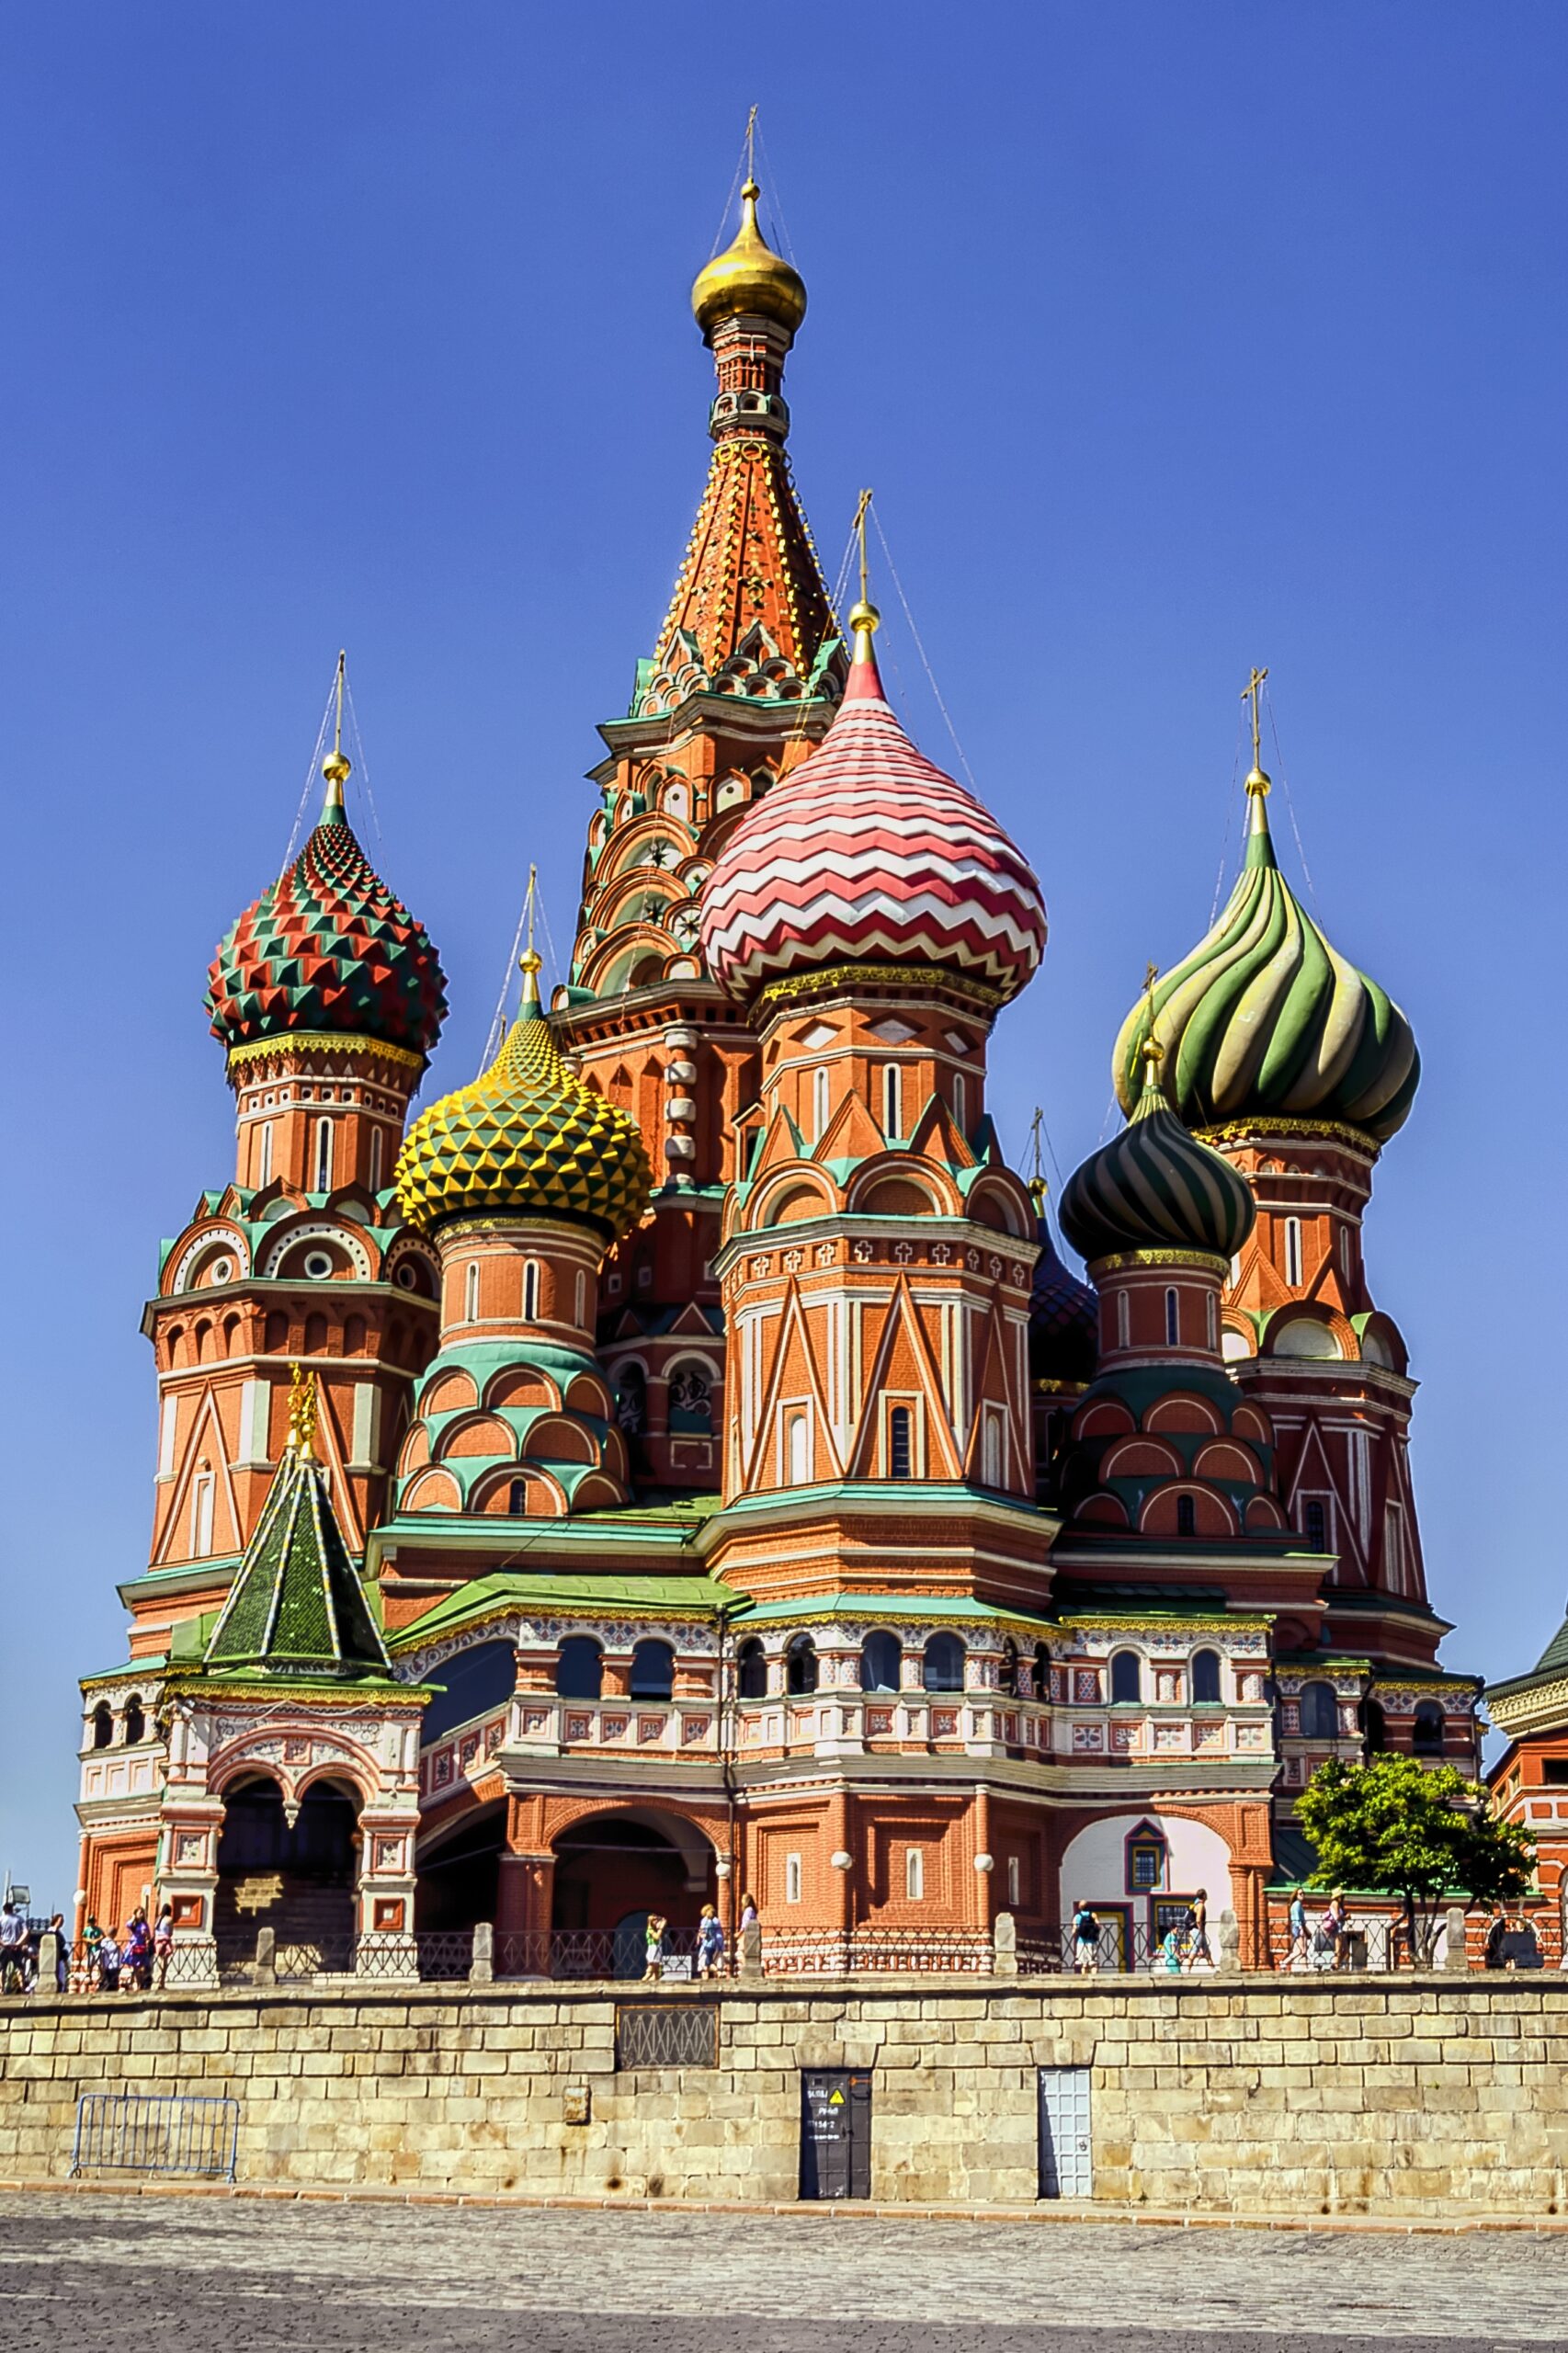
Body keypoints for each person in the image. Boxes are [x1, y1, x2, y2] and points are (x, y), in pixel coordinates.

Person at [0, 1903, 28, 1995]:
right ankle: (22, 1988)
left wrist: (3, 1943)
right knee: (19, 1968)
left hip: (5, 1946)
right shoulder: (19, 1919)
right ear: (12, 1909)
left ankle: (1, 1989)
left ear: (4, 1910)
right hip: (16, 1947)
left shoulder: (1, 1919)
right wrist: (18, 1943)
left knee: (2, 1968)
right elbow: (26, 1932)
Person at [124, 1910, 153, 1992]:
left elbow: (149, 1935)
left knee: (142, 1967)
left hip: (142, 1945)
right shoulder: (134, 1923)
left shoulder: (144, 1924)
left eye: (142, 1913)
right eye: (140, 1913)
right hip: (134, 1945)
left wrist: (146, 1935)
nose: (142, 1914)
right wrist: (133, 1918)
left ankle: (141, 1983)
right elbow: (128, 1925)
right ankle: (138, 1984)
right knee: (135, 1967)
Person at [695, 1904, 725, 1980]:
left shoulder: (705, 1920)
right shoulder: (716, 1920)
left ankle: (708, 1978)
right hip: (718, 1945)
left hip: (707, 1945)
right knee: (716, 1962)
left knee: (705, 1964)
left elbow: (703, 1933)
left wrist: (699, 1936)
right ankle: (718, 1978)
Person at [1184, 1889, 1210, 1970]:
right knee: (1194, 1951)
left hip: (1197, 1931)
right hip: (1197, 1931)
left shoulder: (1196, 1904)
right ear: (1204, 1896)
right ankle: (1187, 1970)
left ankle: (1213, 1968)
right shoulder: (1200, 1906)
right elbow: (1198, 1920)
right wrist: (1201, 1931)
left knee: (1207, 1951)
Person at [1072, 1898, 1099, 1975]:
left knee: (1084, 1964)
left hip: (1081, 1942)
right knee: (1093, 1963)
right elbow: (1099, 1926)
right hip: (1092, 1942)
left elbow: (1074, 1930)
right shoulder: (1093, 1915)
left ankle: (1084, 1978)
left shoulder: (1077, 1917)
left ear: (1079, 1907)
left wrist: (1075, 1935)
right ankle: (1094, 1979)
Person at [153, 1905, 175, 1990]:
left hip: (157, 1942)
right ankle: (161, 1982)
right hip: (165, 1942)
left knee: (159, 1962)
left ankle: (158, 1981)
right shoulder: (169, 1919)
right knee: (164, 1964)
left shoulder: (158, 1919)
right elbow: (171, 1932)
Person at [1288, 1884, 1310, 1971]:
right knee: (1302, 1950)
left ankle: (1305, 1967)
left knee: (1302, 1950)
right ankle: (1285, 1962)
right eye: (1300, 1893)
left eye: (1303, 1893)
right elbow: (1297, 1917)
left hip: (1299, 1927)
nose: (1303, 1895)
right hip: (1298, 1927)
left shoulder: (1298, 1904)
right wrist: (1301, 1928)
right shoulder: (1297, 1904)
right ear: (1296, 1895)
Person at [96, 1929, 122, 1995]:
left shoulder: (110, 1942)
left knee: (112, 1986)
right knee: (108, 1985)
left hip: (113, 1967)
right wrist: (100, 1966)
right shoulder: (105, 1943)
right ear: (114, 1933)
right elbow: (99, 1954)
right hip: (109, 1967)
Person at [49, 1914, 69, 1994]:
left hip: (60, 1957)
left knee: (61, 1975)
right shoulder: (51, 1931)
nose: (62, 1923)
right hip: (54, 1957)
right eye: (60, 1921)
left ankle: (61, 1989)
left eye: (62, 1921)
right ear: (56, 1921)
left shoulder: (59, 1932)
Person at [643, 1913, 666, 1982]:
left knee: (657, 1974)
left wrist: (661, 1922)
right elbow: (656, 1937)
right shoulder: (650, 1929)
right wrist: (661, 1928)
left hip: (657, 1951)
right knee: (649, 1973)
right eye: (655, 1920)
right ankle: (641, 1984)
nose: (656, 1921)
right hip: (653, 1951)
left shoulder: (654, 1929)